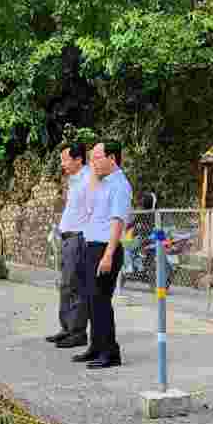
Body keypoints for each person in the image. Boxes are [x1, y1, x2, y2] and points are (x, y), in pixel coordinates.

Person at [73, 141, 132, 370]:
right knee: (91, 300)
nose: (92, 163)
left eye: (97, 158)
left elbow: (118, 221)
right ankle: (96, 347)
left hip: (106, 248)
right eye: (92, 158)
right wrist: (95, 174)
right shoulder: (104, 182)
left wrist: (108, 255)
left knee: (101, 302)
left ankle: (110, 353)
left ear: (112, 159)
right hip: (92, 246)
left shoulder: (120, 185)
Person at [47, 142, 93, 349]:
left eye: (65, 159)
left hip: (78, 238)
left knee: (75, 286)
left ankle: (77, 332)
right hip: (67, 238)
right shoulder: (74, 181)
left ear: (78, 160)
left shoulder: (89, 179)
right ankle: (66, 328)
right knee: (65, 285)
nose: (62, 164)